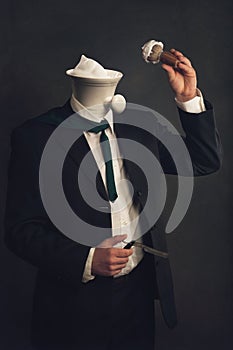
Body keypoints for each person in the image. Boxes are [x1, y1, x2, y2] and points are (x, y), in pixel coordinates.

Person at [4, 49, 221, 350]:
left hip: (137, 296)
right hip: (72, 306)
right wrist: (87, 260)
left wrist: (188, 98)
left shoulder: (138, 128)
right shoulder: (36, 137)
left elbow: (203, 160)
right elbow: (20, 229)